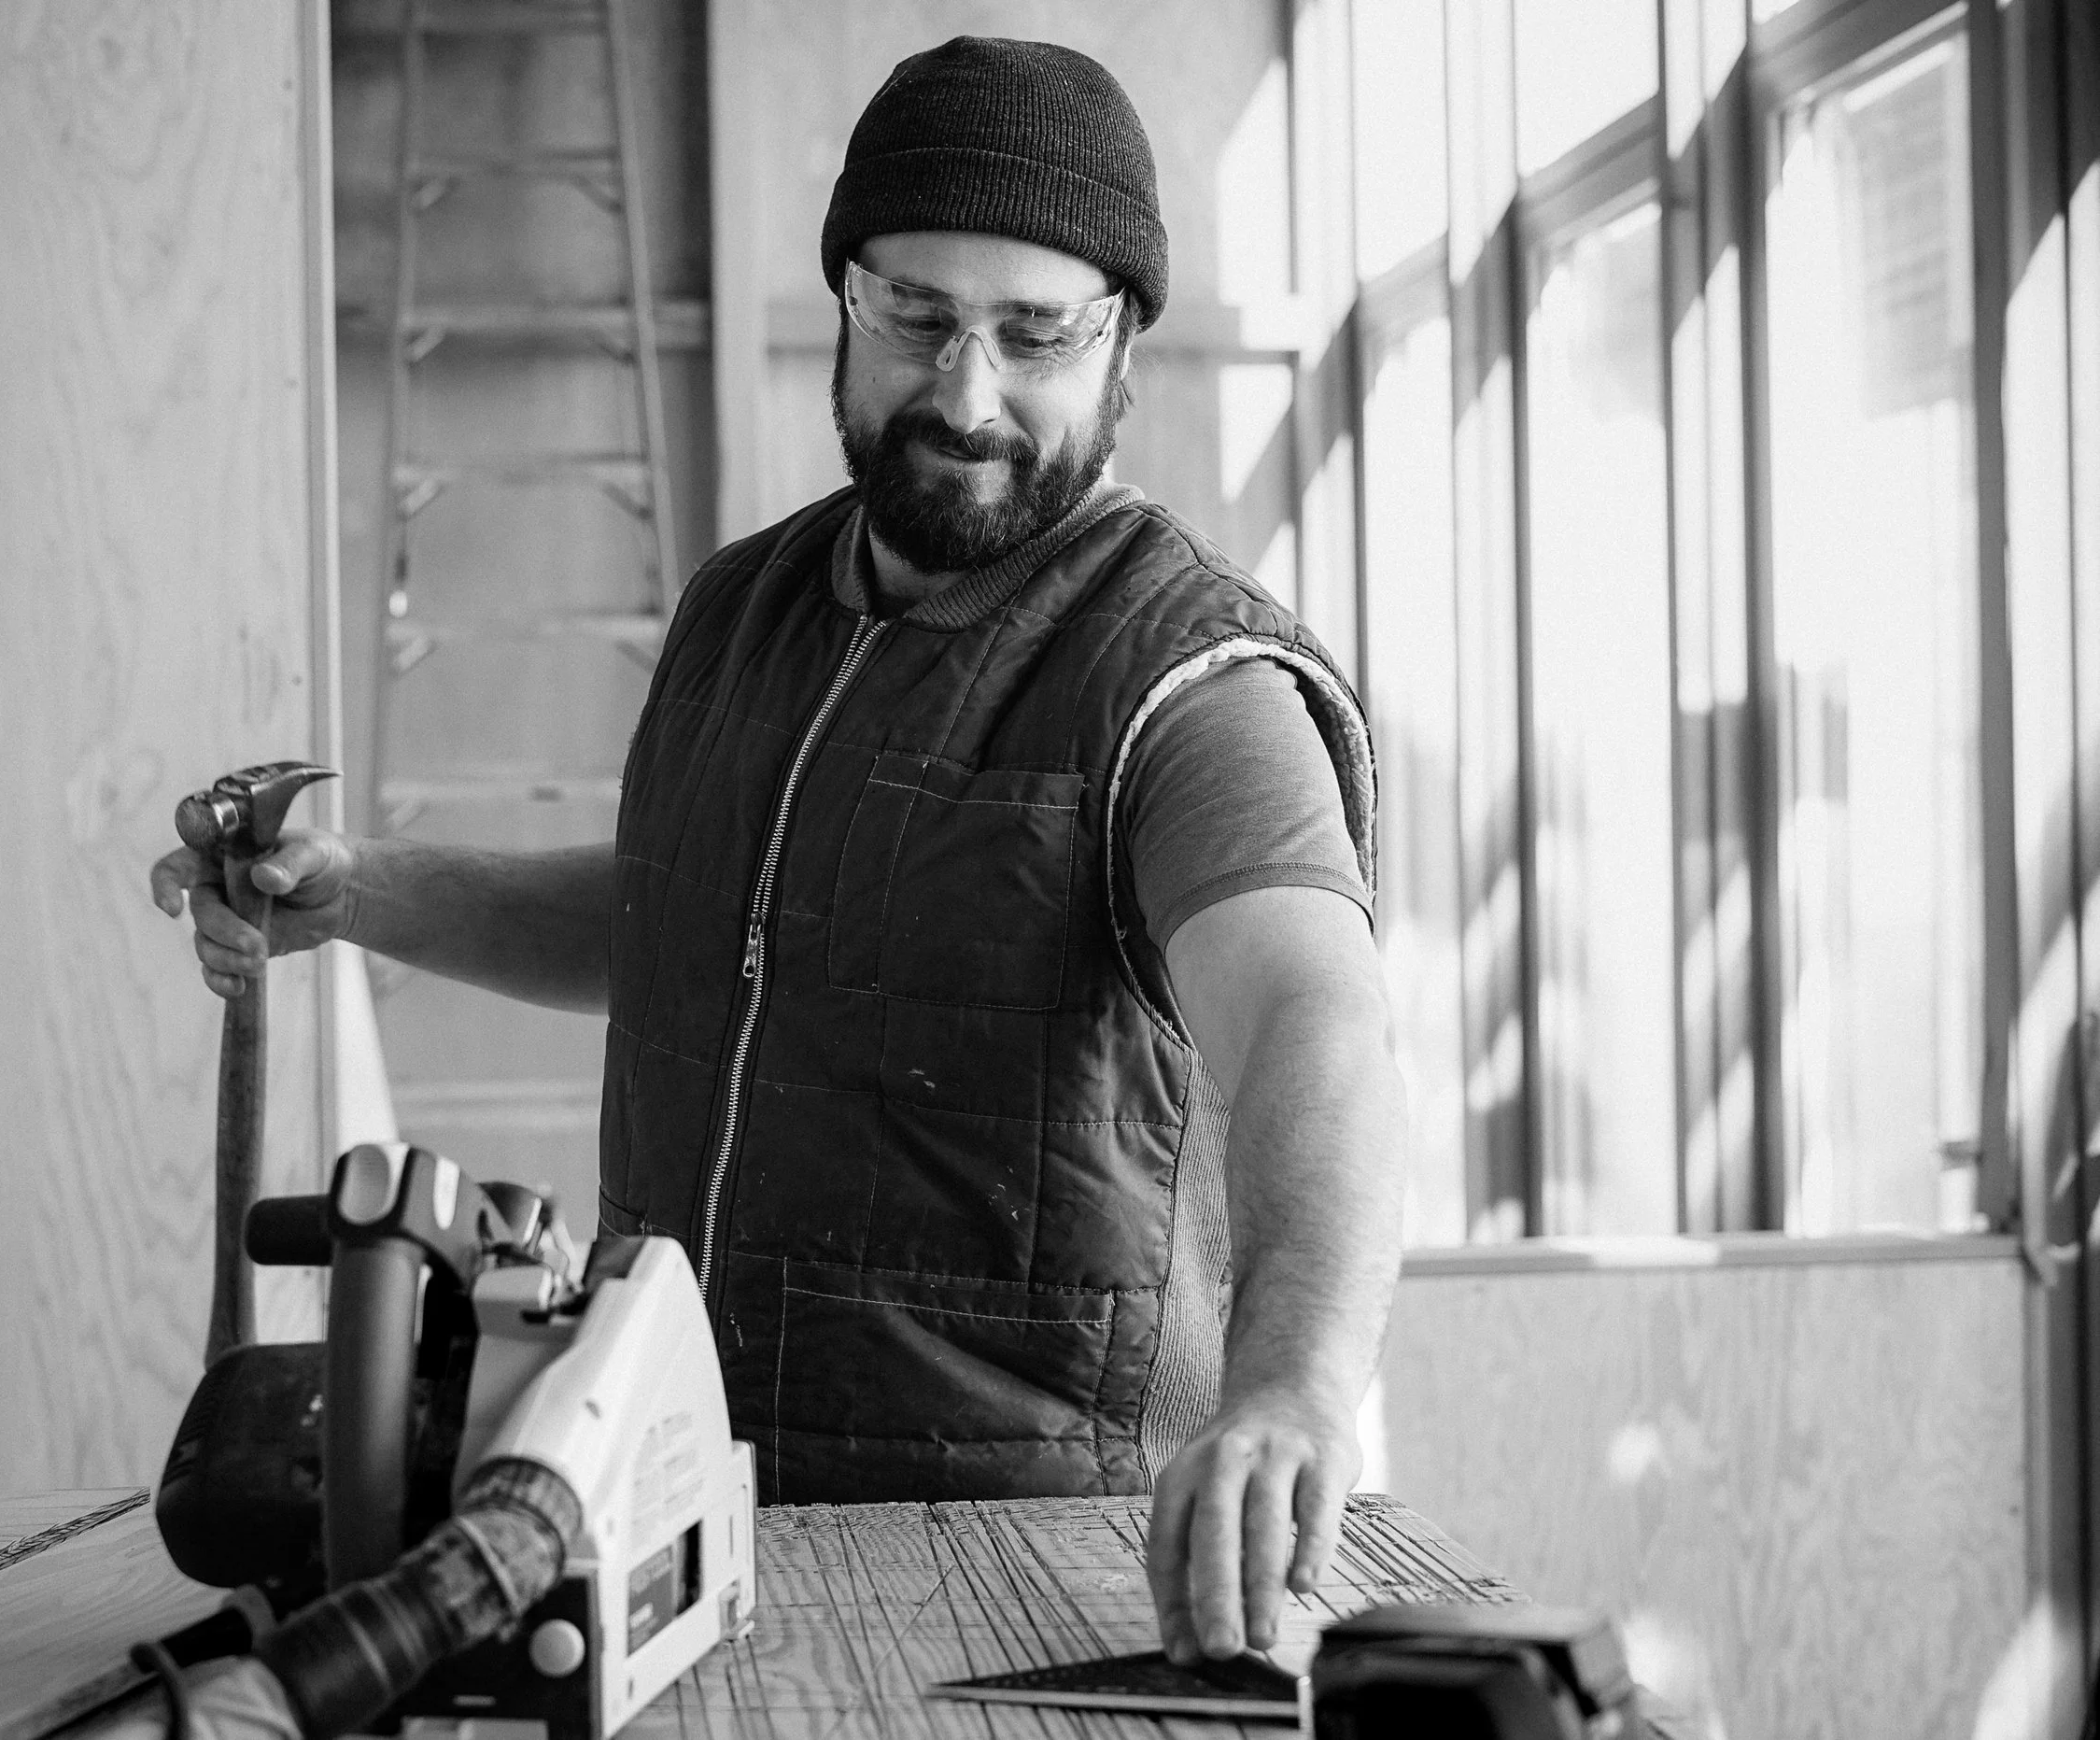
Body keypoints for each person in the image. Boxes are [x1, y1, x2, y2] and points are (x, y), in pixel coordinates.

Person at [151, 35, 1404, 1670]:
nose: (967, 394)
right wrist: (359, 891)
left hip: (1027, 1572)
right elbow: (686, 924)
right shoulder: (740, 612)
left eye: (1036, 334)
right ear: (846, 302)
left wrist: (1293, 1389)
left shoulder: (1190, 684)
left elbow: (1315, 1020)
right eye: (917, 317)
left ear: (1122, 349)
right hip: (668, 1512)